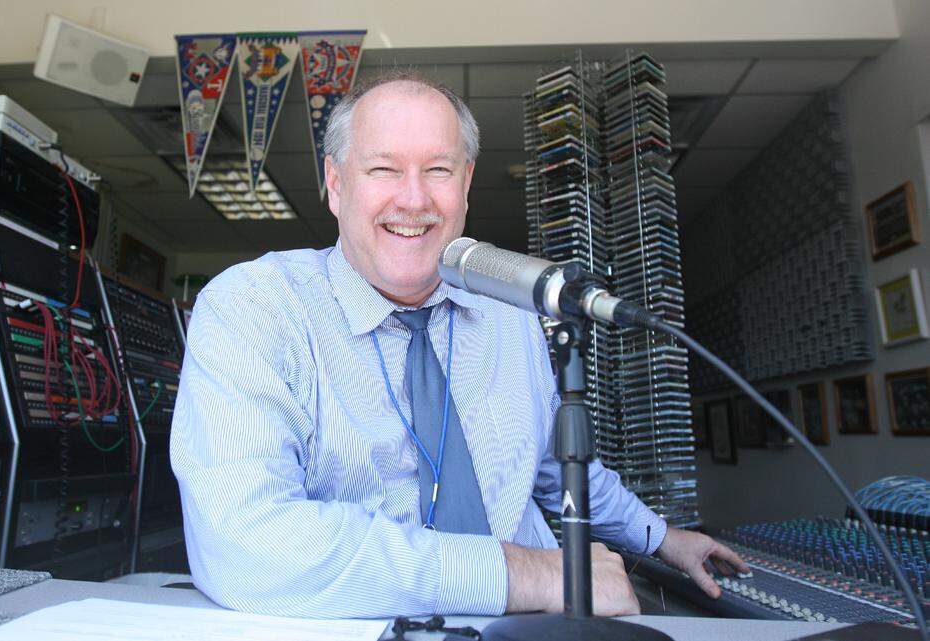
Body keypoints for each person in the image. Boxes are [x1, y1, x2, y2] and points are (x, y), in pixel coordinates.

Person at [170, 70, 748, 619]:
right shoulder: (254, 307)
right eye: (383, 169)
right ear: (337, 184)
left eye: (439, 170)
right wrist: (531, 575)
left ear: (466, 185)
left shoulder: (512, 314)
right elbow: (245, 541)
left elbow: (555, 465)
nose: (414, 199)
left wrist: (663, 539)